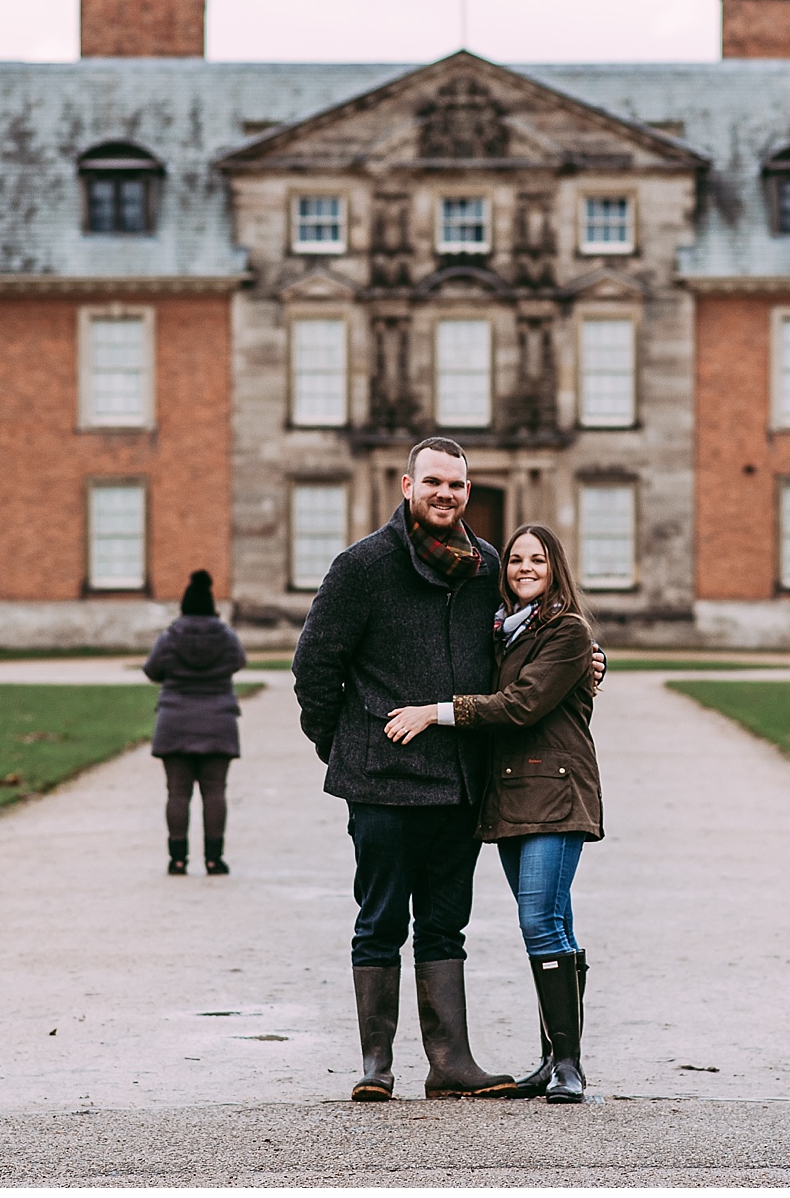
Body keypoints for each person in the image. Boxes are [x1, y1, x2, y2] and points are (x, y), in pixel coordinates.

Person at [293, 437, 605, 1103]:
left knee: (444, 924)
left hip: (458, 783)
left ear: (468, 491)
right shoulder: (362, 566)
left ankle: (450, 1060)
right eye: (433, 481)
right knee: (379, 919)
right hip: (381, 780)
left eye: (457, 485)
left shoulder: (485, 564)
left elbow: (528, 636)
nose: (446, 494)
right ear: (407, 484)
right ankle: (377, 1063)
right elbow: (314, 665)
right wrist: (343, 746)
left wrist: (588, 657)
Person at [385, 522, 603, 1104]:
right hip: (509, 795)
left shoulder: (568, 630)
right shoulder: (504, 633)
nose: (524, 568)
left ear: (556, 567)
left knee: (540, 921)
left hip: (556, 793)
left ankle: (569, 1068)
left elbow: (523, 703)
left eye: (537, 559)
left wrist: (436, 712)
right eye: (514, 561)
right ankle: (557, 1060)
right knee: (555, 921)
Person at [144, 570, 245, 876]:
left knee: (177, 793)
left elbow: (152, 670)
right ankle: (214, 859)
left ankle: (177, 859)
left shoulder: (170, 636)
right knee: (215, 792)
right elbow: (239, 662)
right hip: (218, 721)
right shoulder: (226, 636)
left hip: (175, 719)